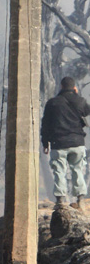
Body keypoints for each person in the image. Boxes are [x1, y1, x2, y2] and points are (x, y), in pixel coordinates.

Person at [41, 76, 90, 209]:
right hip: (77, 143)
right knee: (78, 170)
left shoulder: (52, 103)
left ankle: (60, 201)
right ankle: (80, 200)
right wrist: (76, 95)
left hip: (59, 144)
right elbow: (87, 111)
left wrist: (45, 143)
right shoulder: (80, 101)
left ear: (61, 87)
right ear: (74, 88)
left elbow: (45, 125)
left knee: (59, 171)